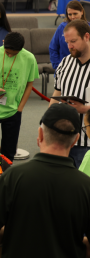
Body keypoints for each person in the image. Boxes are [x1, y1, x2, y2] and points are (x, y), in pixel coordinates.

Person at [0, 103, 90, 258]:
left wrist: (17, 231)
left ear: (40, 135)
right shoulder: (86, 186)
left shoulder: (13, 177)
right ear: (75, 140)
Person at [0, 32, 39, 162]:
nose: (10, 55)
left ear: (21, 49)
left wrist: (20, 108)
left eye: (14, 53)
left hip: (14, 110)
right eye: (7, 53)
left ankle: (6, 177)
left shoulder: (29, 58)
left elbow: (30, 84)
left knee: (9, 151)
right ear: (3, 44)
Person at [49, 20, 90, 168]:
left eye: (73, 41)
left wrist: (85, 109)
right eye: (67, 42)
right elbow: (57, 93)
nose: (69, 46)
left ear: (87, 37)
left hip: (86, 142)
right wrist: (45, 123)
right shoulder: (66, 62)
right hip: (62, 137)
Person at [49, 0, 88, 71]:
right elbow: (53, 48)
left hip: (85, 69)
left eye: (75, 13)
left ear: (82, 12)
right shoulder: (62, 27)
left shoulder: (88, 27)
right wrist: (58, 66)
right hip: (65, 68)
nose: (72, 17)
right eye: (70, 14)